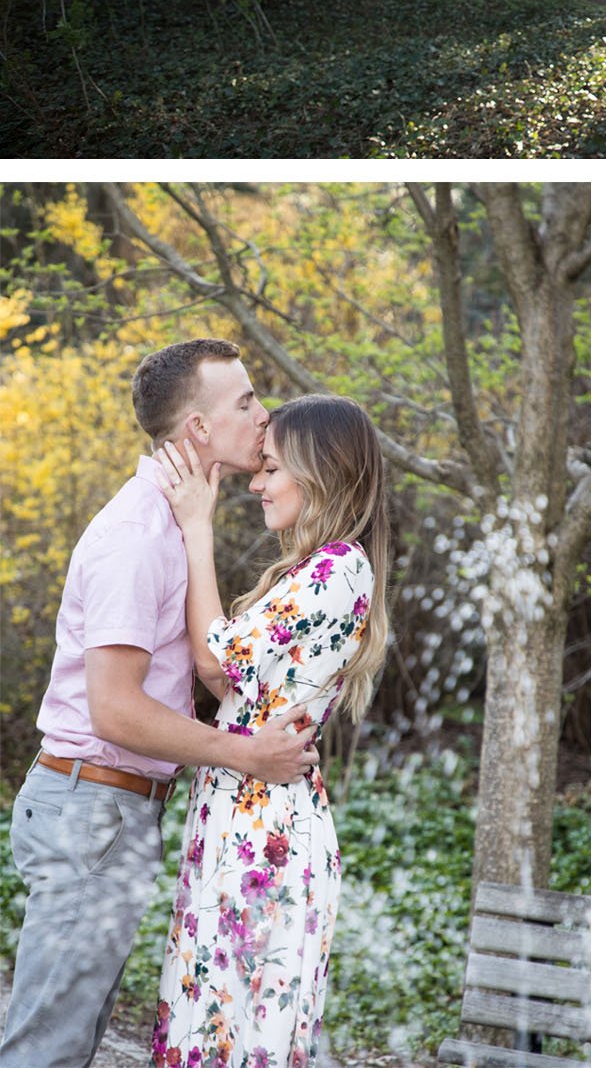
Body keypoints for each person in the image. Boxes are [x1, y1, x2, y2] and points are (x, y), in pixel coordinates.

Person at [0, 339, 318, 1068]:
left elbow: (206, 667)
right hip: (91, 811)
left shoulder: (175, 521)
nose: (262, 414)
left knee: (69, 1041)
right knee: (45, 1049)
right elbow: (115, 711)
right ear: (198, 431)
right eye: (244, 401)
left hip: (112, 814)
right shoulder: (136, 537)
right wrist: (247, 753)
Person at [149, 392, 391, 1067]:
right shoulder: (314, 571)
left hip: (267, 833)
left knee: (235, 1033)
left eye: (272, 468)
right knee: (214, 1019)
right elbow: (231, 681)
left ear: (322, 473)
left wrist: (197, 528)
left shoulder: (337, 568)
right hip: (246, 810)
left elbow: (213, 658)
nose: (257, 482)